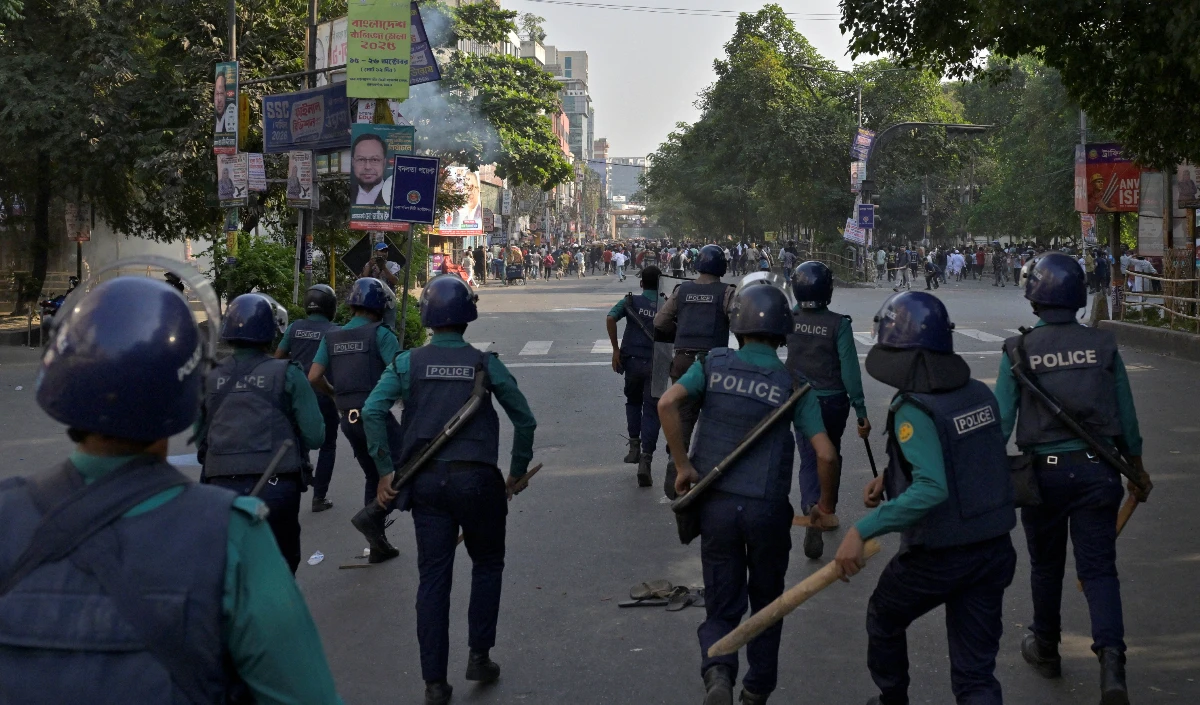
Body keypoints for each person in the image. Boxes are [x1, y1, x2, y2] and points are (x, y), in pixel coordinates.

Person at [3, 274, 341, 703]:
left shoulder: (7, 514)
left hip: (219, 477)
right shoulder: (232, 536)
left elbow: (204, 436)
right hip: (276, 486)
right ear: (177, 395)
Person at [834, 290, 1017, 705]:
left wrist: (862, 529)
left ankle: (892, 698)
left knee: (883, 615)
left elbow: (933, 486)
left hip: (940, 556)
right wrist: (891, 474)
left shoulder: (914, 408)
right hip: (993, 550)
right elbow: (964, 454)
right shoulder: (978, 393)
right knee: (975, 675)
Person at [660, 283, 838, 705]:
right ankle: (757, 689)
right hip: (767, 510)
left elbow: (667, 403)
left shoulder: (713, 364)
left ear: (736, 326)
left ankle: (719, 670)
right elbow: (826, 455)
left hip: (717, 505)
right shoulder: (794, 383)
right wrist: (824, 507)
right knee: (766, 603)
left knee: (721, 603)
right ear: (783, 333)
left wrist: (683, 465)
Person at [362, 275, 536, 705]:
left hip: (427, 487)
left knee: (433, 579)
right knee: (488, 564)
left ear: (427, 317)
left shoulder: (406, 363)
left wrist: (385, 470)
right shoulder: (485, 364)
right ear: (467, 316)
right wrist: (514, 473)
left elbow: (371, 410)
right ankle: (479, 655)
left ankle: (434, 684)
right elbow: (525, 420)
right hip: (478, 483)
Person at [996, 253, 1151, 705]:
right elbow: (1126, 415)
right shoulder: (1103, 346)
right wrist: (1135, 468)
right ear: (1079, 296)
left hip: (1041, 478)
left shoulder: (1018, 351)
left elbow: (1001, 423)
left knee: (1046, 566)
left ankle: (1046, 648)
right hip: (1097, 471)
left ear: (1034, 300)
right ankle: (1112, 667)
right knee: (1099, 570)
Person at [196, 293, 323, 575]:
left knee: (232, 570)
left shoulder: (208, 377)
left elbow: (199, 434)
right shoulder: (288, 374)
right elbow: (316, 436)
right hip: (276, 489)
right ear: (271, 331)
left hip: (220, 490)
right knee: (281, 568)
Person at [307, 277, 404, 563]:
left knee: (373, 475)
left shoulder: (333, 336)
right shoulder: (381, 334)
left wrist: (335, 395)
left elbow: (313, 377)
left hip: (348, 422)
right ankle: (372, 517)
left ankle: (377, 544)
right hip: (375, 419)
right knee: (405, 467)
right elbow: (400, 371)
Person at [786, 261, 869, 559]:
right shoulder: (839, 324)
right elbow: (850, 371)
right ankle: (826, 509)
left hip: (798, 399)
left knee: (809, 457)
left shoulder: (789, 318)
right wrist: (860, 409)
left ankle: (811, 507)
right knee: (831, 453)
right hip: (832, 401)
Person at [654, 244, 735, 499]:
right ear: (722, 267)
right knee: (714, 419)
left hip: (683, 363)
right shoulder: (727, 293)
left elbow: (659, 322)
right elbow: (742, 322)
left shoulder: (681, 290)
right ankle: (711, 474)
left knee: (684, 417)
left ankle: (676, 463)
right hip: (715, 365)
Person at [276, 284, 342, 513]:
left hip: (294, 396)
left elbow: (278, 358)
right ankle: (319, 497)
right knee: (328, 445)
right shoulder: (335, 331)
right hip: (324, 394)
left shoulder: (294, 328)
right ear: (331, 307)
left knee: (296, 441)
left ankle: (298, 478)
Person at [606, 266, 665, 486]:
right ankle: (646, 461)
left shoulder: (630, 302)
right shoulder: (666, 305)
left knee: (633, 402)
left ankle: (633, 446)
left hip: (632, 362)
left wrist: (615, 350)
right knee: (652, 410)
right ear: (661, 284)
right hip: (657, 365)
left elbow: (611, 318)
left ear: (642, 284)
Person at [351, 133, 391, 206]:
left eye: (375, 160)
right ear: (353, 162)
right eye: (361, 159)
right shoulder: (343, 194)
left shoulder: (395, 195)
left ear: (384, 163)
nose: (367, 167)